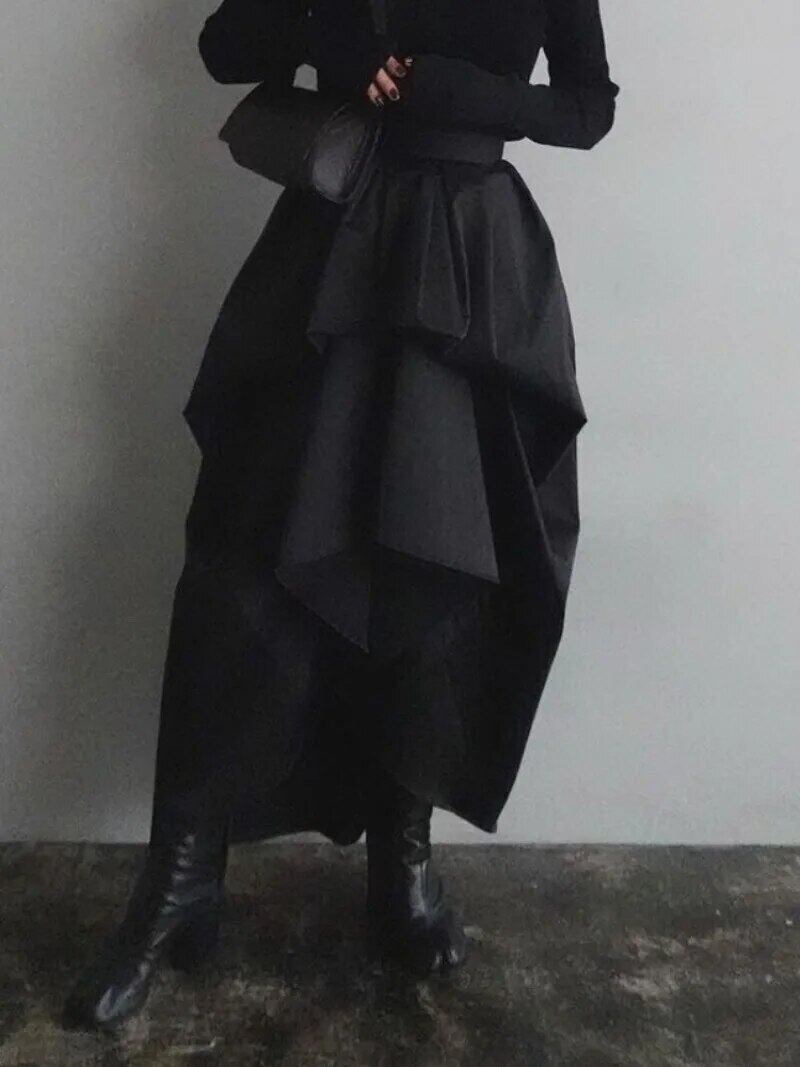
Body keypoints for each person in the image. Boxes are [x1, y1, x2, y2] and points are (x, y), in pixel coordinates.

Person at [64, 0, 620, 1030]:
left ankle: (400, 871)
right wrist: (332, 40)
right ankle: (179, 877)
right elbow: (224, 43)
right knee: (240, 563)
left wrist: (470, 95)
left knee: (435, 563)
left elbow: (589, 109)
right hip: (332, 251)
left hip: (473, 269)